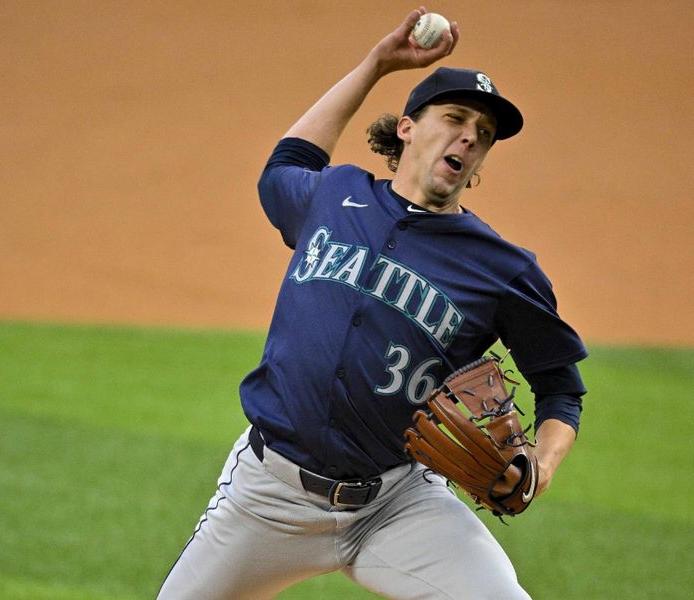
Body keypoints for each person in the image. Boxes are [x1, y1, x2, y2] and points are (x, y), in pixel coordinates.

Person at [157, 7, 587, 599]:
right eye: (455, 118)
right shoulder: (335, 195)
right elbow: (285, 165)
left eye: (483, 134)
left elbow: (560, 385)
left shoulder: (503, 268)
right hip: (268, 498)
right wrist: (376, 64)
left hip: (398, 504)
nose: (469, 136)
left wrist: (540, 467)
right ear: (407, 128)